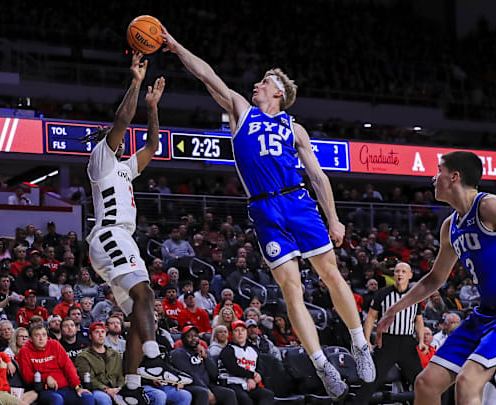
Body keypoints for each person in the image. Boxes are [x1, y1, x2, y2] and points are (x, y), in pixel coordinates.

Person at [161, 27, 374, 399]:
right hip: (264, 207)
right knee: (291, 290)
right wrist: (177, 47)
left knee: (330, 274)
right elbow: (208, 75)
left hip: (298, 201)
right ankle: (322, 366)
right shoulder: (241, 111)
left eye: (264, 81)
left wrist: (334, 217)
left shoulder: (295, 128)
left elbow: (318, 176)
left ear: (279, 92)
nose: (256, 84)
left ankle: (359, 344)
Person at [82, 52, 191, 404]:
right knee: (145, 294)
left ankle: (131, 387)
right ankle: (155, 360)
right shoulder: (100, 158)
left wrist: (154, 106)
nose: (113, 134)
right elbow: (122, 119)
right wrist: (136, 82)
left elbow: (152, 146)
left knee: (141, 310)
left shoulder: (126, 168)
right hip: (110, 234)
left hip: (120, 239)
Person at [376, 151, 496, 403]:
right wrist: (395, 309)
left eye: (438, 171)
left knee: (468, 382)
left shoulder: (489, 206)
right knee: (426, 384)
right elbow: (435, 278)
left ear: (454, 177)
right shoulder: (450, 226)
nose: (433, 178)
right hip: (485, 315)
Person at [355, 262, 426, 404]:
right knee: (371, 381)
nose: (400, 274)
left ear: (410, 275)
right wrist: (367, 340)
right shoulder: (382, 293)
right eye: (397, 271)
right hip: (387, 342)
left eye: (403, 271)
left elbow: (418, 320)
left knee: (421, 382)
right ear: (393, 275)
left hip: (407, 343)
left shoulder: (415, 296)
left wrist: (422, 340)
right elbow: (370, 318)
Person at [17, 324, 94, 405]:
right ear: (31, 339)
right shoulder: (24, 351)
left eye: (44, 335)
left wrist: (77, 387)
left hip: (65, 388)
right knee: (57, 399)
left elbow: (68, 367)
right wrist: (46, 378)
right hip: (43, 390)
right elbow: (27, 376)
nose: (41, 338)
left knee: (87, 397)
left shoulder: (54, 345)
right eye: (37, 335)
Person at [171, 324, 237, 405]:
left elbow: (214, 374)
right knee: (203, 393)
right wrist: (207, 389)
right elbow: (190, 374)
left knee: (229, 393)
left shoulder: (203, 351)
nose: (193, 338)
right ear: (183, 338)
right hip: (189, 385)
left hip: (207, 385)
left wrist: (205, 357)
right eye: (189, 336)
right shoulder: (178, 353)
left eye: (195, 336)